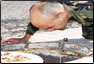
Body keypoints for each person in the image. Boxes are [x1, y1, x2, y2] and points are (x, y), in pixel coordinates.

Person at [1, 1, 93, 55]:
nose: (50, 30)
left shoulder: (89, 10)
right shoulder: (53, 6)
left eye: (51, 27)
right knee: (88, 34)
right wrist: (25, 38)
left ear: (61, 14)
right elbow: (39, 19)